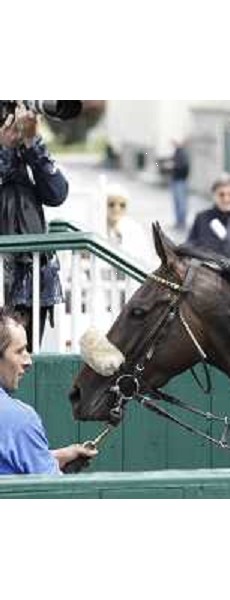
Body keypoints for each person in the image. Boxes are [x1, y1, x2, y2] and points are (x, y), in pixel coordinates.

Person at [0, 102, 69, 351]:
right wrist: (5, 149)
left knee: (21, 362)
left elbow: (57, 193)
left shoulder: (25, 151)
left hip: (30, 279)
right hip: (3, 273)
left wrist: (32, 144)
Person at [0, 308, 97, 475]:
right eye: (19, 351)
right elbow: (52, 491)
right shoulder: (19, 420)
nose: (28, 361)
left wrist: (54, 457)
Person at [167, 139, 190, 231]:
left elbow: (184, 167)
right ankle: (178, 222)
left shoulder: (182, 153)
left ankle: (181, 222)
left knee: (181, 203)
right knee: (177, 202)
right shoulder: (177, 152)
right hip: (176, 181)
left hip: (180, 181)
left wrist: (173, 166)